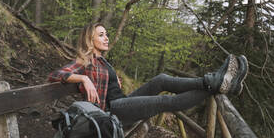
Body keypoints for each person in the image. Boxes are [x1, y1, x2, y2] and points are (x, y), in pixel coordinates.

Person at [48, 23, 248, 126]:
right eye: (101, 35)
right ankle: (218, 83)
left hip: (121, 103)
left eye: (106, 34)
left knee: (161, 79)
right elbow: (56, 75)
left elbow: (109, 88)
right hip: (110, 114)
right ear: (89, 39)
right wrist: (83, 78)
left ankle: (216, 81)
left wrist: (112, 80)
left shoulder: (103, 61)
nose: (106, 37)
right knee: (163, 102)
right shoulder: (85, 61)